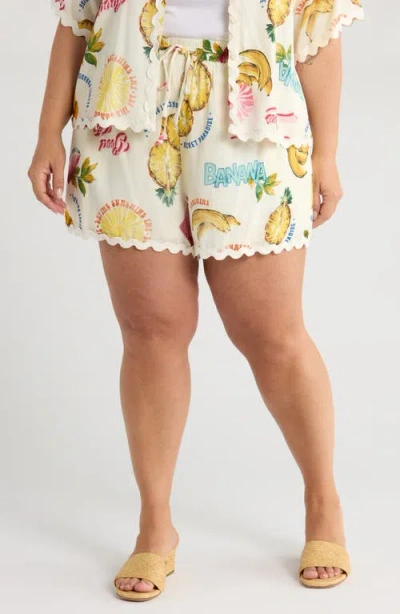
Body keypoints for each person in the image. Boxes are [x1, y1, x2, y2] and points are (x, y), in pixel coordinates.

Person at [28, 0, 364, 600]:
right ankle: (155, 525)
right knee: (150, 329)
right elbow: (78, 18)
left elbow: (316, 26)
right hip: (125, 111)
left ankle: (323, 503)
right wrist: (46, 132)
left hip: (253, 114)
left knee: (271, 334)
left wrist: (327, 153)